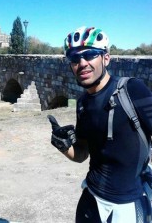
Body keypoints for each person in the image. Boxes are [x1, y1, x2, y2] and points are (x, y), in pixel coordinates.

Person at [48, 26, 152, 223]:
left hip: (128, 205)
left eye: (90, 55)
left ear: (106, 58)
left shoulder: (132, 90)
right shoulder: (82, 103)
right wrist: (63, 145)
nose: (82, 63)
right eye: (74, 59)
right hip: (91, 199)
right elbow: (82, 154)